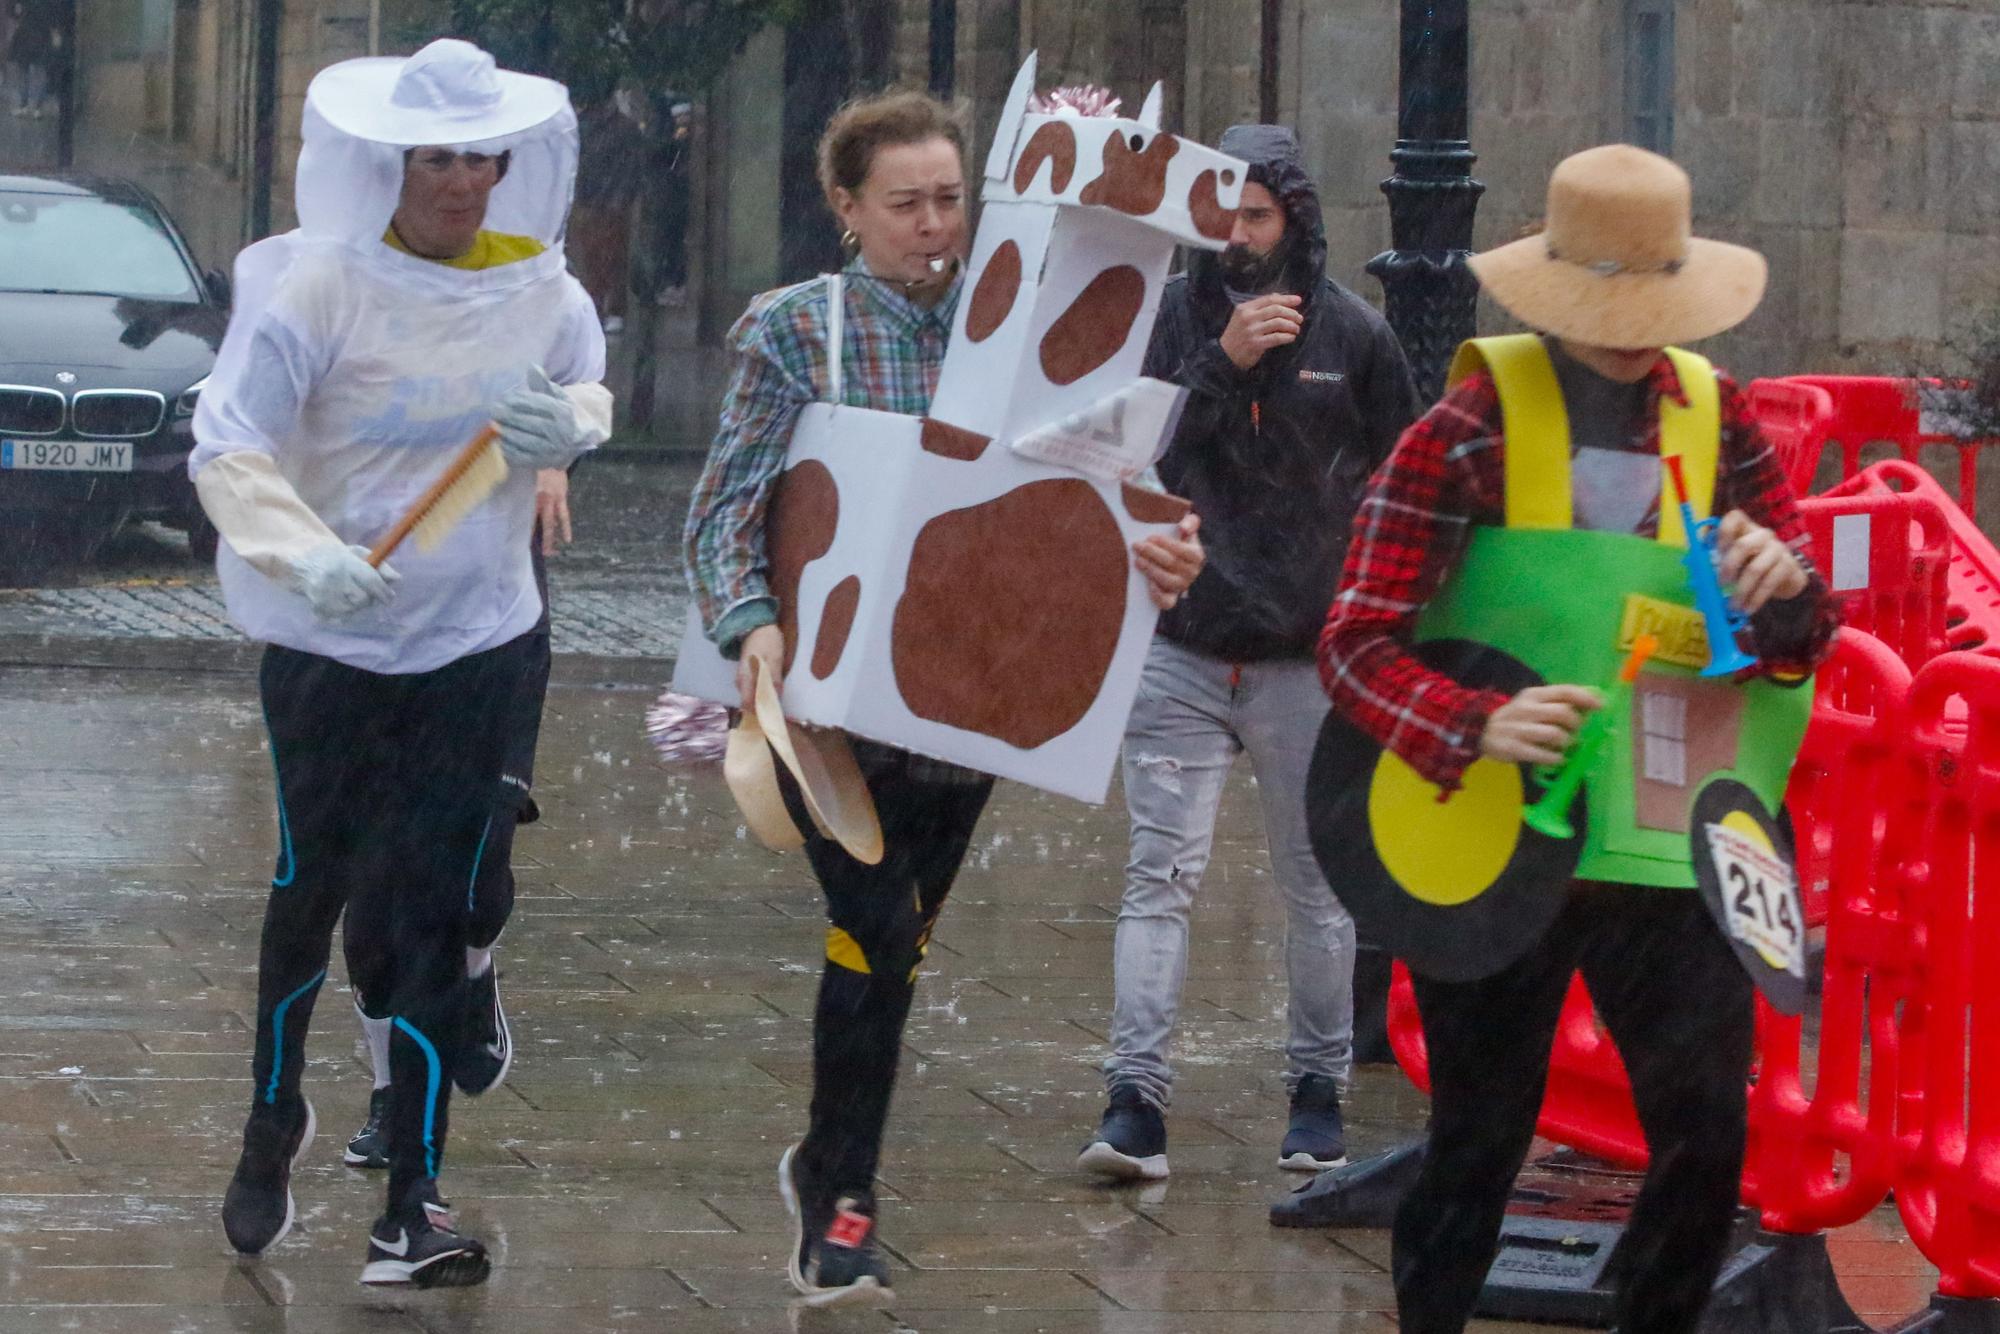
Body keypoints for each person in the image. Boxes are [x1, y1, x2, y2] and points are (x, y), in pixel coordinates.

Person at [682, 90, 1205, 1308]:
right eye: (905, 203)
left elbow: (1102, 491)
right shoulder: (793, 331)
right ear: (846, 208)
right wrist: (746, 624)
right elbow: (723, 506)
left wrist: (1160, 544)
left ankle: (827, 1154)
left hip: (965, 695)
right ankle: (842, 1204)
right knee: (871, 920)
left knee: (898, 945)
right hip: (821, 702)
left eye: (951, 198)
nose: (933, 225)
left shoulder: (1016, 328)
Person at [1318, 144, 1840, 1334]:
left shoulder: (1719, 419)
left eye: (1651, 310)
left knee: (1707, 1128)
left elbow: (1794, 645)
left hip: (1670, 837)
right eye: (1605, 310)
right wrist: (1475, 720)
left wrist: (1785, 593)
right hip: (1501, 838)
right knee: (1477, 1139)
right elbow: (1353, 641)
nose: (1628, 335)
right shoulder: (1465, 428)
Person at [190, 39, 611, 1287]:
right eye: (440, 159)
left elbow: (587, 382)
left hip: (471, 643)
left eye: (484, 158)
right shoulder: (318, 292)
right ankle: (274, 1115)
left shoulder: (540, 291)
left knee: (428, 909)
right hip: (329, 649)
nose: (465, 184)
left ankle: (412, 1198)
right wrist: (301, 552)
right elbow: (227, 443)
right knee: (305, 894)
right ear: (389, 163)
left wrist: (569, 427)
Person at [1079, 124, 1421, 1183]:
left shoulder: (1354, 335)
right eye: (1221, 211)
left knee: (1315, 886)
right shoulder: (1170, 322)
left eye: (1258, 215)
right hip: (1180, 642)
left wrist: (1377, 616)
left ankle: (1314, 1094)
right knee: (1157, 877)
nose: (1236, 234)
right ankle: (1134, 1098)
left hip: (1301, 658)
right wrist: (1219, 364)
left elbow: (1407, 473)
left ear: (1296, 223)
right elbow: (1127, 451)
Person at [342, 466, 573, 1169]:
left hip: (492, 651)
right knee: (374, 910)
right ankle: (390, 1096)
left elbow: (569, 377)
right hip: (373, 654)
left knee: (472, 885)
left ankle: (476, 966)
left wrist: (554, 458)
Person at [569, 92, 645, 334]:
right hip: (595, 199)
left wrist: (621, 197)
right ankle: (601, 307)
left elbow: (632, 165)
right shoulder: (585, 126)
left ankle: (610, 308)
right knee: (594, 257)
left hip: (606, 201)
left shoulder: (592, 126)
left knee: (609, 256)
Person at [7, 0, 58, 119]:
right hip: (39, 34)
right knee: (39, 71)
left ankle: (25, 105)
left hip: (27, 33)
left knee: (26, 71)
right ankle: (35, 107)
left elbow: (12, 10)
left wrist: (17, 13)